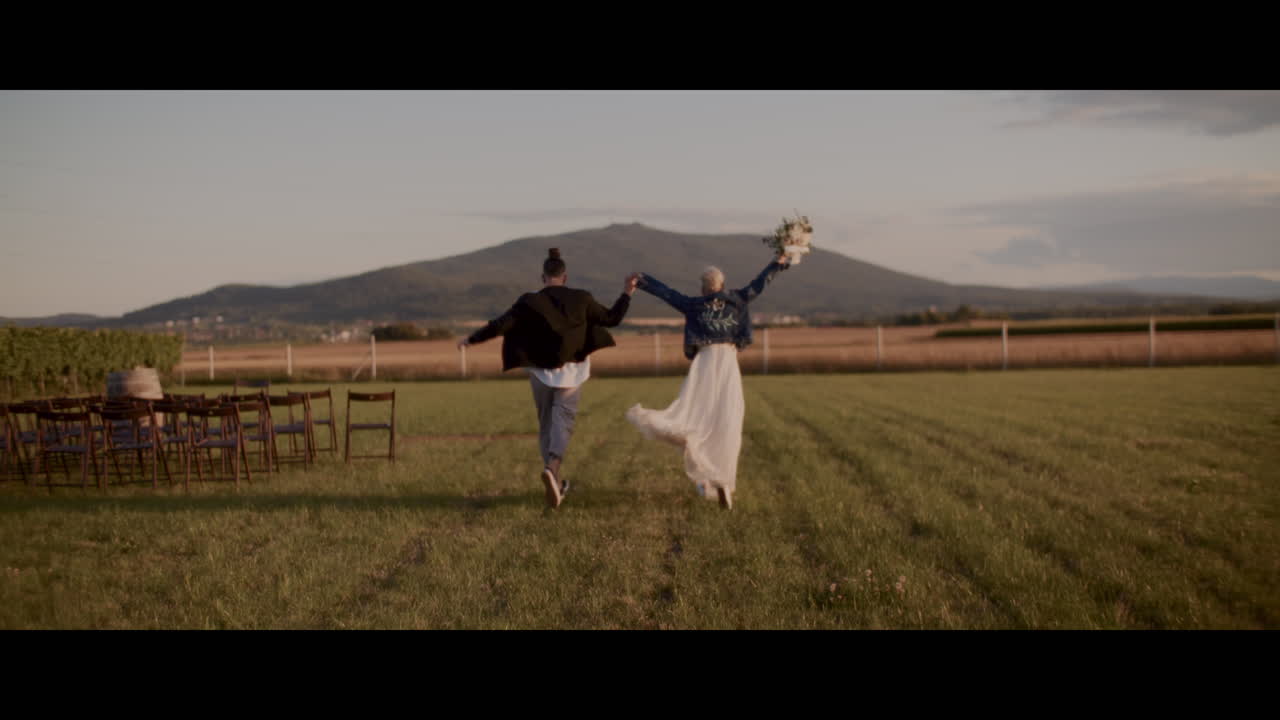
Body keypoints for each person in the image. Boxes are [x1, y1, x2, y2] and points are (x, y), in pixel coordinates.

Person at [459, 248, 639, 509]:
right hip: (572, 373)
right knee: (563, 422)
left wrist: (471, 340)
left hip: (540, 374)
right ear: (564, 277)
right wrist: (627, 291)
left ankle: (554, 478)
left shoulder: (529, 301)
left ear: (543, 277)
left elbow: (500, 325)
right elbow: (612, 318)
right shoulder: (582, 298)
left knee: (546, 425)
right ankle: (553, 468)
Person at [625, 251, 791, 509]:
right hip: (727, 363)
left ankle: (709, 477)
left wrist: (643, 280)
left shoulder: (694, 304)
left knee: (695, 416)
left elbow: (668, 293)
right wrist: (779, 263)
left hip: (704, 363)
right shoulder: (737, 299)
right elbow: (760, 283)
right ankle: (722, 480)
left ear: (704, 288)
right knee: (727, 421)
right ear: (722, 285)